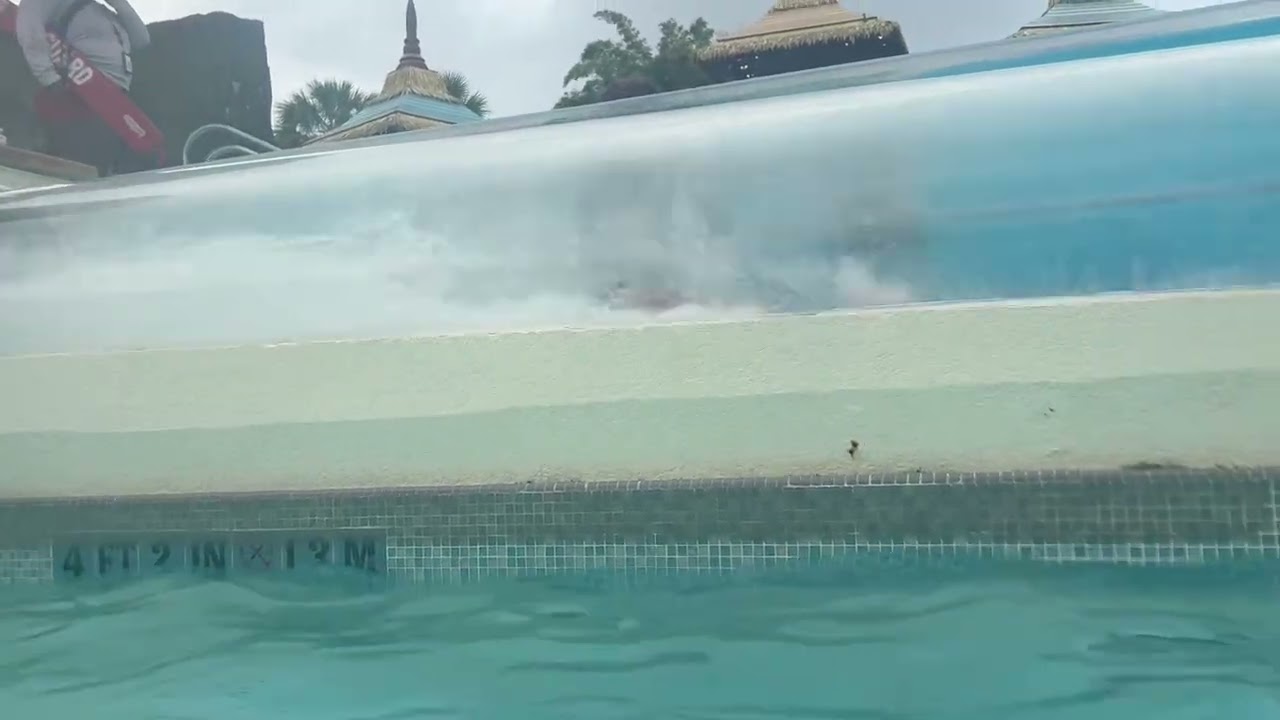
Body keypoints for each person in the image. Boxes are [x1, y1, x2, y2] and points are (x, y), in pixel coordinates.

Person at [15, 0, 151, 175]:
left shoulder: (103, 11)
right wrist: (49, 78)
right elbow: (29, 30)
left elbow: (141, 39)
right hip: (80, 95)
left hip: (117, 102)